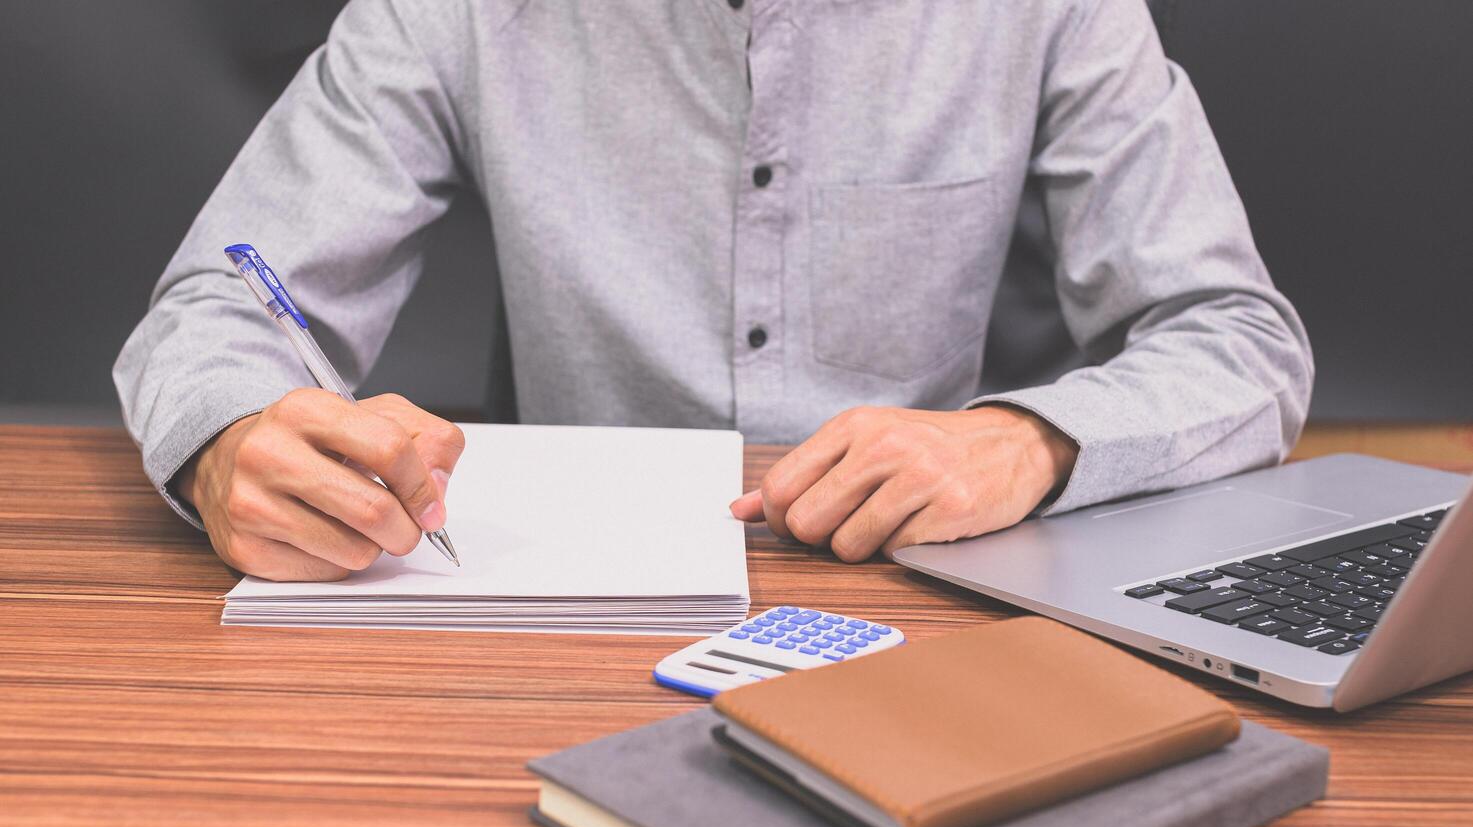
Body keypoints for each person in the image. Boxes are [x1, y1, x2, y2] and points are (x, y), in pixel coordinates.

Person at [114, 0, 1312, 583]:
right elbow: (227, 300)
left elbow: (1239, 341)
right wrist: (228, 435)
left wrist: (1030, 437)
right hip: (544, 614)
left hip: (927, 597)